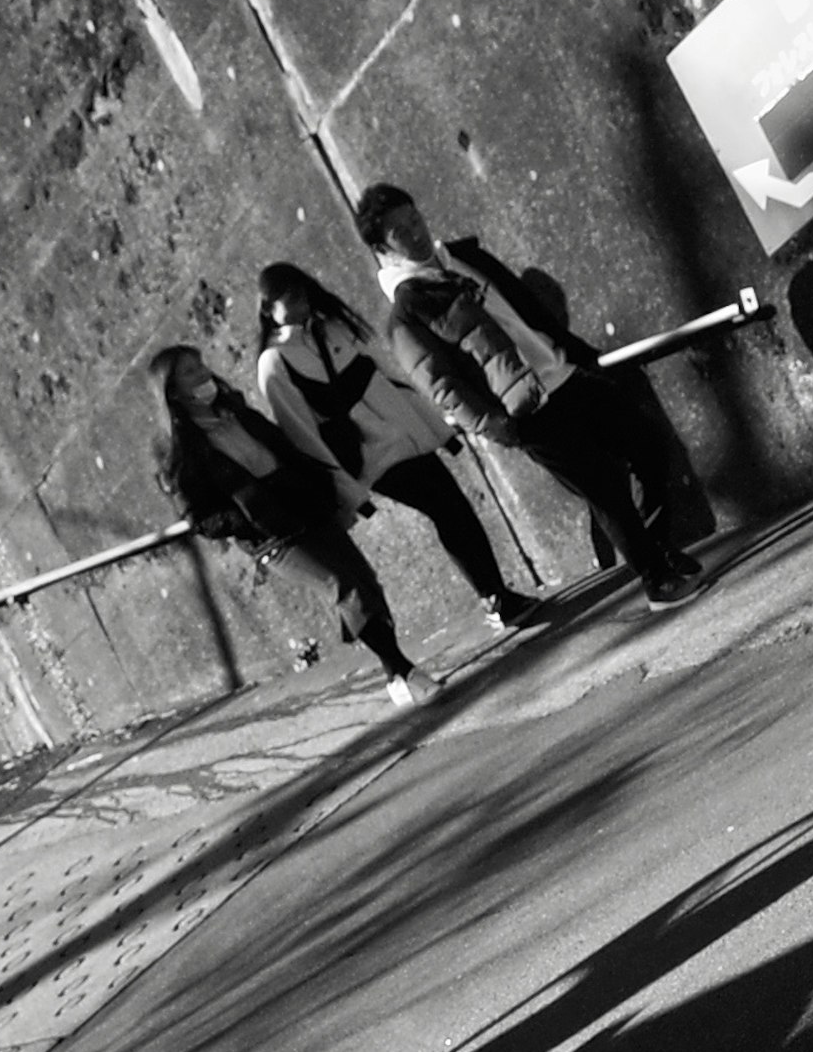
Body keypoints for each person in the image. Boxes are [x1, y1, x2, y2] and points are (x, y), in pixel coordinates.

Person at [351, 179, 702, 595]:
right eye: (400, 231)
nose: (416, 232)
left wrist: (573, 351)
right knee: (605, 491)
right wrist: (496, 425)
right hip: (527, 409)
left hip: (564, 373)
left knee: (647, 445)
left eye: (415, 218)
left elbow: (523, 304)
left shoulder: (464, 256)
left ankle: (657, 548)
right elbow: (442, 385)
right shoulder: (408, 310)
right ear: (382, 248)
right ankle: (657, 581)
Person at [252, 264, 541, 631]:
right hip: (368, 456)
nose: (301, 302)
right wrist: (345, 488)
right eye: (289, 298)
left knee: (454, 507)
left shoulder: (335, 328)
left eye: (302, 292)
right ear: (267, 309)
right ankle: (495, 598)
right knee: (446, 507)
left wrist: (432, 425)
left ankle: (496, 595)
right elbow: (301, 432)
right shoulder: (274, 362)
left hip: (405, 435)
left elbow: (388, 379)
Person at [150, 345, 412, 689]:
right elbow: (199, 517)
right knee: (342, 586)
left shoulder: (237, 413)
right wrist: (246, 517)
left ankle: (396, 672)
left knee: (365, 583)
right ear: (172, 391)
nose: (203, 374)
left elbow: (284, 449)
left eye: (201, 366)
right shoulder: (180, 448)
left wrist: (318, 484)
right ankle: (404, 672)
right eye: (189, 372)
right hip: (271, 536)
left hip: (303, 504)